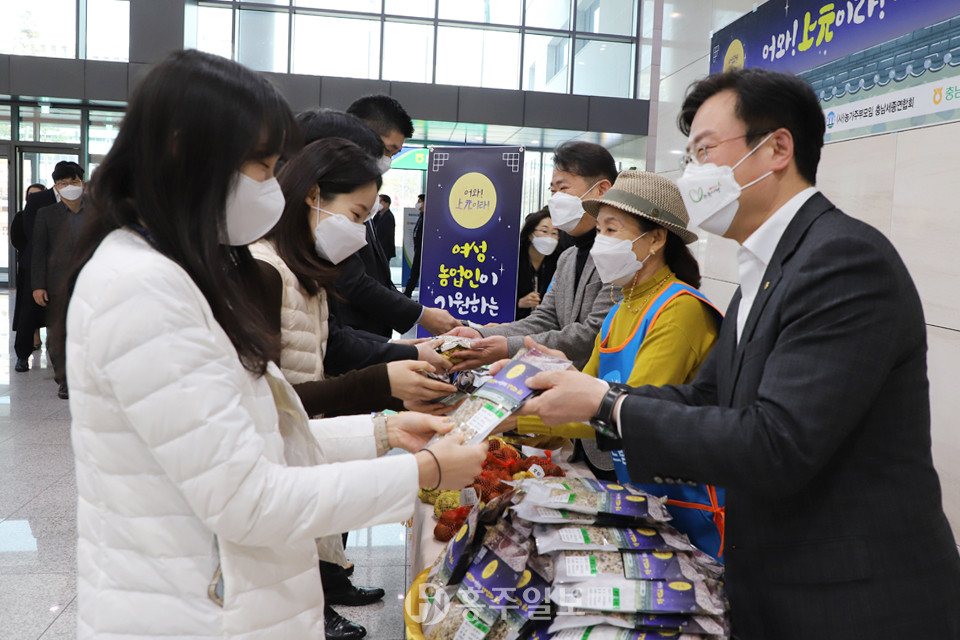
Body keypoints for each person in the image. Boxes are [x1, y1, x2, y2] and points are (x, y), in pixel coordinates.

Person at [61, 49, 487, 640]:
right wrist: (424, 471)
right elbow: (250, 499)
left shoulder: (179, 270)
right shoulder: (144, 290)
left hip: (223, 597)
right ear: (188, 151)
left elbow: (251, 436)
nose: (274, 186)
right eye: (264, 166)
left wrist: (384, 433)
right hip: (197, 611)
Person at [520, 68, 960, 638]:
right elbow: (707, 397)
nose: (694, 174)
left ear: (777, 147)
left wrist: (607, 406)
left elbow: (778, 441)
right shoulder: (765, 268)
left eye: (704, 152)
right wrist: (590, 397)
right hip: (771, 576)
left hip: (851, 598)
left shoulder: (842, 259)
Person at [250, 137, 458, 640]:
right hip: (276, 460)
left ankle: (322, 595)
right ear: (313, 193)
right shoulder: (262, 270)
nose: (361, 231)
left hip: (301, 441)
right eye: (356, 213)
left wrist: (405, 365)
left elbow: (328, 347)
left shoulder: (302, 270)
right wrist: (386, 394)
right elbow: (262, 403)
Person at [512, 171, 725, 557]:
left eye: (613, 230)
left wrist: (512, 416)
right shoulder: (620, 309)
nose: (600, 244)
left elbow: (632, 417)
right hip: (644, 497)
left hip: (687, 506)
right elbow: (585, 391)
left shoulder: (680, 310)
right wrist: (532, 391)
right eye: (600, 231)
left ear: (657, 238)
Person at [294, 108, 449, 375]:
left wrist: (405, 350)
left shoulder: (311, 248)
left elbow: (328, 337)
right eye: (384, 151)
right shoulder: (278, 263)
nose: (384, 161)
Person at [448, 141, 619, 371]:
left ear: (601, 190)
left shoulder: (620, 256)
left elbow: (592, 334)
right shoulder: (568, 257)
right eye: (552, 190)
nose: (555, 199)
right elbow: (544, 319)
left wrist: (506, 346)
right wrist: (479, 333)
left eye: (563, 188)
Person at [33, 161, 86, 399]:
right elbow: (39, 252)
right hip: (56, 284)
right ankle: (64, 380)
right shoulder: (46, 214)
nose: (70, 186)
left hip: (90, 283)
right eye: (64, 182)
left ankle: (86, 377)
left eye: (74, 181)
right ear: (56, 186)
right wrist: (38, 285)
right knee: (58, 334)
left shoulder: (97, 212)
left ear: (82, 183)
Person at [11, 182, 48, 371]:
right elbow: (17, 239)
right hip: (30, 267)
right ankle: (23, 355)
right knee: (28, 312)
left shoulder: (53, 213)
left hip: (52, 267)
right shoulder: (23, 216)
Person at [514, 208, 561, 320]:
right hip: (513, 322)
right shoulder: (515, 258)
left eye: (554, 233)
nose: (549, 237)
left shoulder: (558, 261)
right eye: (544, 231)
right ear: (530, 234)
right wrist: (518, 303)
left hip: (543, 324)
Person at [403, 194, 425, 297]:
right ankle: (407, 294)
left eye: (419, 201)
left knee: (415, 273)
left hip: (423, 251)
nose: (418, 203)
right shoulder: (421, 216)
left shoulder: (427, 218)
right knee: (414, 273)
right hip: (418, 250)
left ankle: (407, 294)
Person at [374, 193, 396, 262]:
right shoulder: (378, 214)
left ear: (387, 203)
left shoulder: (388, 217)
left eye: (380, 202)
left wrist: (380, 248)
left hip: (385, 249)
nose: (378, 204)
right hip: (377, 247)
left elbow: (388, 235)